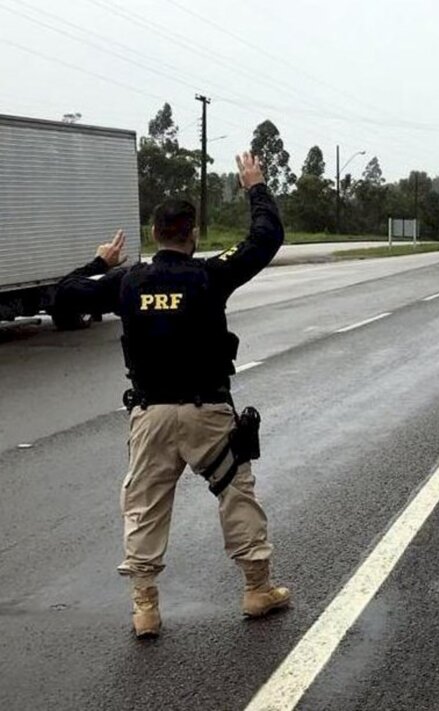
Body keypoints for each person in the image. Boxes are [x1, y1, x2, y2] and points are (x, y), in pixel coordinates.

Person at [54, 152, 290, 639]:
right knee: (235, 492)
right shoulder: (208, 275)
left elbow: (64, 295)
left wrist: (100, 261)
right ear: (193, 234)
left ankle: (145, 608)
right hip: (207, 412)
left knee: (143, 505)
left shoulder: (127, 281)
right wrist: (256, 188)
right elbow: (265, 240)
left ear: (154, 234)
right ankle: (256, 589)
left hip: (150, 415)